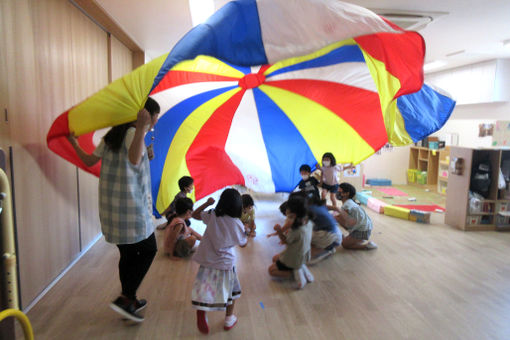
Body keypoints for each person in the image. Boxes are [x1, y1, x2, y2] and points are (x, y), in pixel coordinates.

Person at [67, 97, 160, 323]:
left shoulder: (112, 136)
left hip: (113, 210)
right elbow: (133, 158)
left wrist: (74, 143)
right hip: (131, 210)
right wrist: (140, 130)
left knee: (127, 254)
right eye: (153, 118)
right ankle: (126, 297)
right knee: (149, 249)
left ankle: (130, 301)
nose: (153, 124)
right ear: (144, 115)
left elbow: (89, 161)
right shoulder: (132, 133)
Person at [190, 188, 248, 334]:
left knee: (205, 287)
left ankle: (202, 310)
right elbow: (243, 243)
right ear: (238, 206)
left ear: (221, 202)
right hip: (225, 264)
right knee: (232, 292)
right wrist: (245, 230)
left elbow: (194, 214)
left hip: (207, 261)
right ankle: (229, 319)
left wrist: (207, 203)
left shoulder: (213, 215)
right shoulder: (237, 223)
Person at [268, 194, 314, 289]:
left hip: (294, 258)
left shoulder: (296, 231)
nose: (287, 218)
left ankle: (295, 272)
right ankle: (301, 268)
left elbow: (285, 241)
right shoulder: (308, 222)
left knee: (271, 270)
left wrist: (279, 231)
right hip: (304, 255)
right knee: (274, 258)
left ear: (295, 215)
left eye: (289, 216)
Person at [334, 182, 378, 250]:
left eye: (339, 191)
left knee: (344, 245)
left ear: (346, 193)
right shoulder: (349, 202)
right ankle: (356, 239)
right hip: (364, 228)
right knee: (337, 219)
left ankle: (367, 246)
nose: (337, 193)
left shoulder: (347, 205)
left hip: (363, 231)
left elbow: (340, 219)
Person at [307, 193, 342, 265]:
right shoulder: (319, 206)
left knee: (306, 255)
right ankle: (327, 247)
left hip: (332, 236)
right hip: (336, 234)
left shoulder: (309, 210)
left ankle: (327, 250)